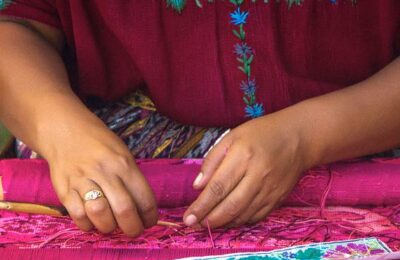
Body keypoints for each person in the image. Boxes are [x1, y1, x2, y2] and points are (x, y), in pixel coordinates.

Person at [0, 0, 399, 236]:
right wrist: (64, 133)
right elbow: (17, 23)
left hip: (363, 146)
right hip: (114, 164)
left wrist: (307, 136)